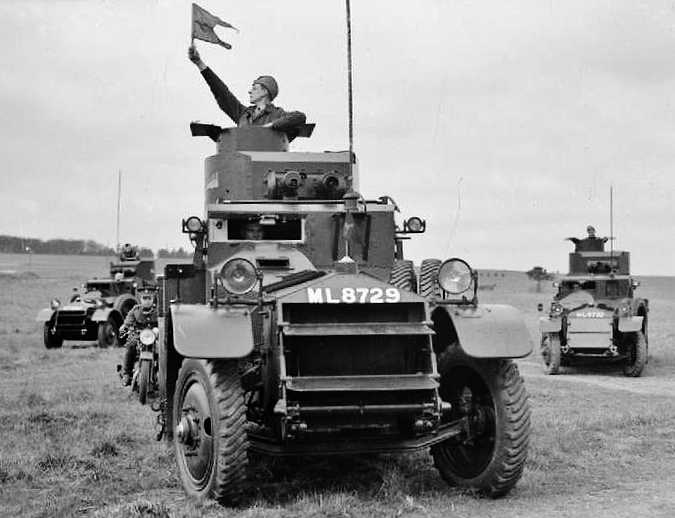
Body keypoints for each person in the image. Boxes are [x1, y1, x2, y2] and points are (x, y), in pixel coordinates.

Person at [188, 45, 306, 135]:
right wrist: (200, 64)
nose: (250, 91)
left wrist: (271, 125)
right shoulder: (243, 114)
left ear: (265, 91)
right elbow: (222, 93)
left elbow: (300, 117)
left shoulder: (278, 114)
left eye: (254, 88)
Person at [120, 289, 158, 387]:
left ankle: (164, 376)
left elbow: (163, 323)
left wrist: (158, 329)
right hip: (138, 336)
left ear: (153, 299)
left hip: (154, 337)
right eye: (144, 298)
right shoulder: (135, 310)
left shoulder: (157, 311)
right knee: (130, 345)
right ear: (140, 299)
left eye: (149, 298)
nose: (147, 301)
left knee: (164, 351)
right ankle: (126, 374)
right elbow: (128, 321)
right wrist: (125, 327)